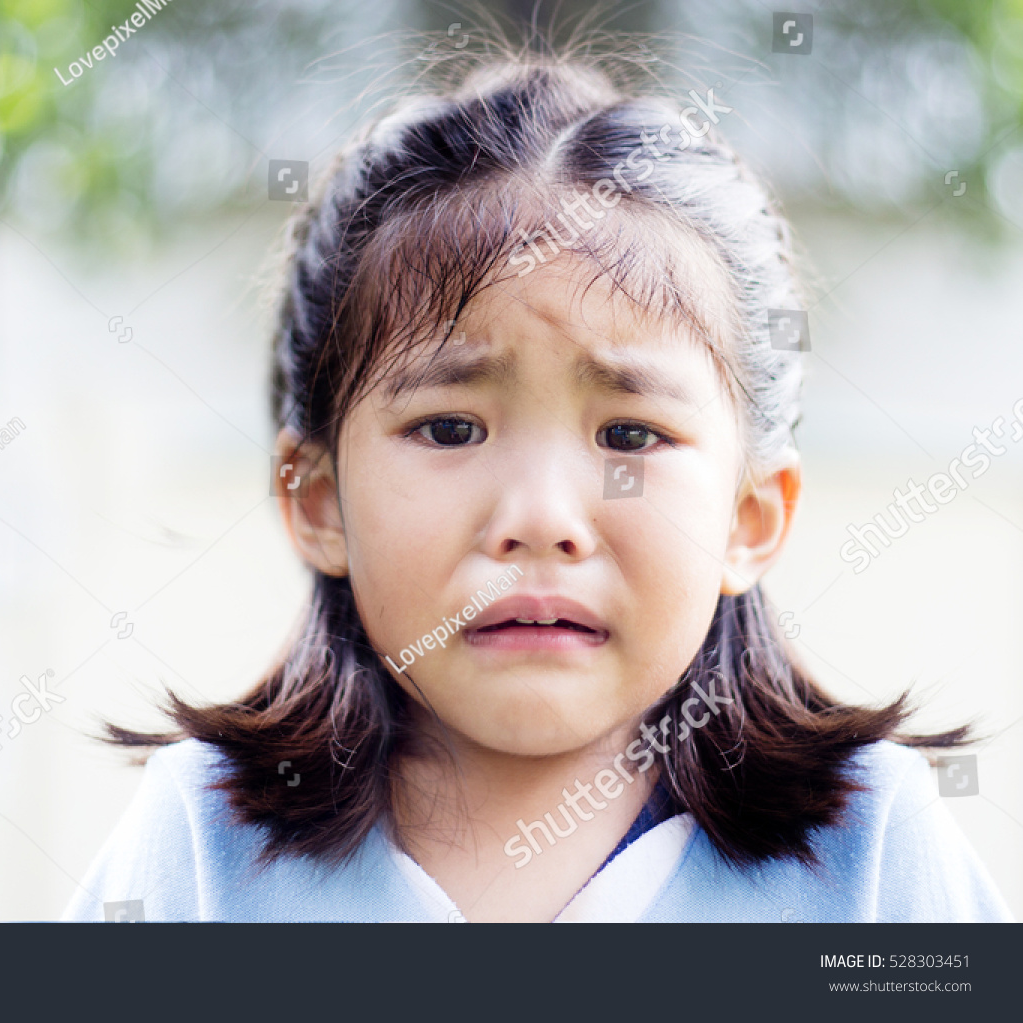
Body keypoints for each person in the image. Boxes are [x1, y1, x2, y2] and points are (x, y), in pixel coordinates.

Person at [62, 39, 1012, 923]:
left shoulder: (868, 852)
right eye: (448, 427)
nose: (542, 520)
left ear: (749, 517)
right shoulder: (204, 848)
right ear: (317, 500)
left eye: (631, 433)